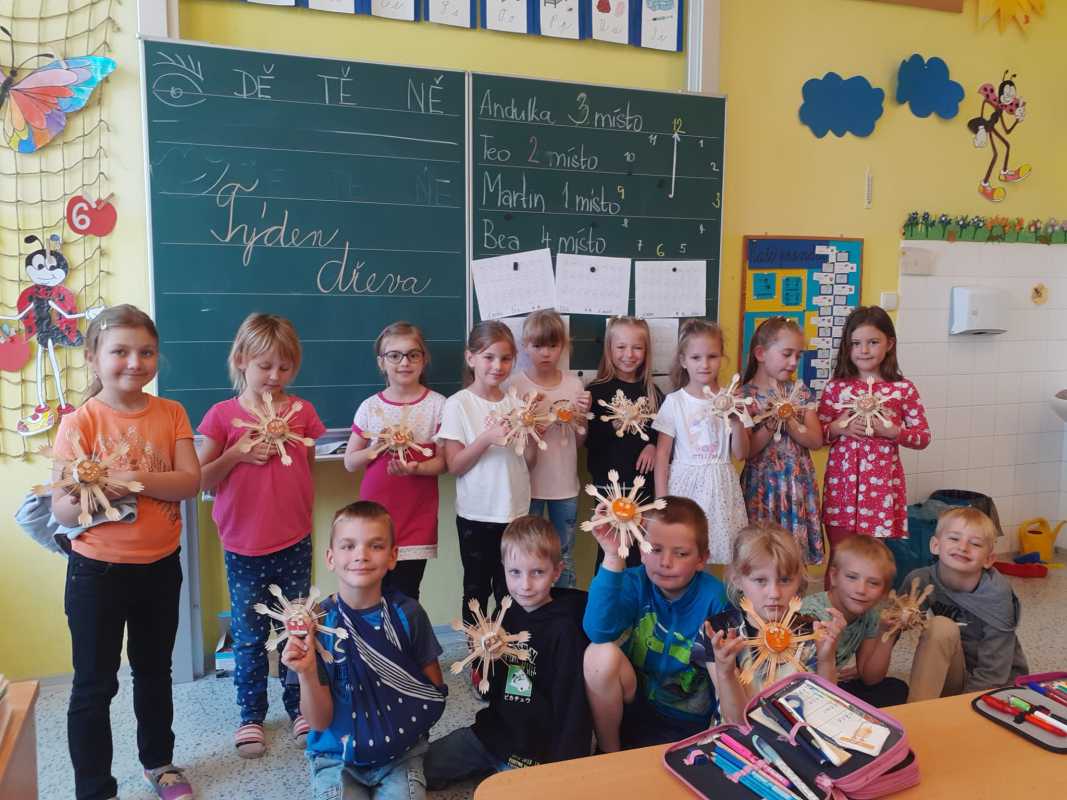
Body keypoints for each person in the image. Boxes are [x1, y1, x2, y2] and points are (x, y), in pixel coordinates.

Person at [52, 304, 200, 800]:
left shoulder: (171, 412)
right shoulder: (79, 423)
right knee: (94, 684)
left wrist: (127, 480)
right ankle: (94, 788)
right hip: (96, 572)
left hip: (160, 568)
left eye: (146, 352)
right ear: (93, 358)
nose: (135, 362)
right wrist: (95, 491)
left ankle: (159, 763)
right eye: (120, 352)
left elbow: (188, 482)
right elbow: (64, 511)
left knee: (154, 672)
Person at [197, 312, 325, 757]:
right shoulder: (222, 416)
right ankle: (251, 714)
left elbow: (307, 469)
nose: (274, 376)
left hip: (294, 539)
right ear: (241, 361)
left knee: (297, 626)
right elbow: (201, 478)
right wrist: (237, 454)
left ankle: (299, 707)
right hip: (244, 546)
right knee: (250, 636)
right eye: (264, 365)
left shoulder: (302, 413)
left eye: (284, 367)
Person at [283, 501, 447, 799]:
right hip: (335, 758)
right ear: (330, 558)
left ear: (393, 556)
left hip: (401, 754)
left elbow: (432, 693)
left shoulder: (408, 614)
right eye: (348, 546)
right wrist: (307, 672)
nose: (361, 555)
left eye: (375, 545)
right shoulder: (315, 626)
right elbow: (318, 722)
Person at [425, 515, 591, 787]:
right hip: (494, 734)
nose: (525, 585)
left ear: (557, 572)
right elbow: (492, 690)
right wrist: (485, 661)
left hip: (536, 752)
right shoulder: (505, 614)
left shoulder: (566, 630)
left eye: (537, 572)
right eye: (515, 572)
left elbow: (572, 708)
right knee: (421, 768)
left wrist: (566, 771)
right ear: (503, 569)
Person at [583, 497, 729, 751]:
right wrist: (612, 556)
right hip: (635, 705)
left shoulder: (714, 597)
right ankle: (608, 754)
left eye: (681, 554)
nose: (665, 562)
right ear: (642, 550)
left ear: (702, 559)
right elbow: (598, 631)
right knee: (598, 654)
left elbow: (724, 678)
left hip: (689, 721)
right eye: (655, 549)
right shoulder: (634, 582)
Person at [817, 306, 930, 579]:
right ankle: (832, 607)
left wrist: (894, 432)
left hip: (879, 493)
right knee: (840, 558)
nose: (864, 350)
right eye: (856, 343)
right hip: (842, 490)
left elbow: (923, 437)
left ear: (889, 344)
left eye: (873, 342)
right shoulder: (836, 387)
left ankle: (867, 606)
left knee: (871, 561)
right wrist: (838, 427)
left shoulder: (902, 389)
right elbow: (817, 436)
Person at [438, 321, 535, 628]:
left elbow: (528, 461)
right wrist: (486, 439)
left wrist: (533, 434)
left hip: (515, 512)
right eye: (489, 357)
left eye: (506, 359)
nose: (498, 366)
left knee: (512, 589)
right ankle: (478, 651)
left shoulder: (516, 403)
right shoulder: (458, 404)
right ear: (471, 358)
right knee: (476, 590)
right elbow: (455, 465)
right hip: (477, 515)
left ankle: (509, 649)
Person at [344, 322, 446, 601]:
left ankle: (403, 632)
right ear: (382, 362)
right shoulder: (370, 407)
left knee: (406, 593)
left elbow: (444, 462)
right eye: (394, 355)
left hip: (416, 515)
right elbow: (350, 461)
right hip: (374, 517)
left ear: (424, 359)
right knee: (370, 590)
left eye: (413, 355)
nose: (404, 362)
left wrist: (417, 467)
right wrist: (377, 447)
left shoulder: (438, 405)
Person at [709, 524, 844, 724]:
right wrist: (725, 672)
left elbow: (826, 710)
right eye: (760, 580)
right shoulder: (721, 634)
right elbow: (735, 722)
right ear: (737, 580)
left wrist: (826, 660)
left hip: (799, 734)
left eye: (785, 580)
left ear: (799, 580)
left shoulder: (811, 632)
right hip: (740, 738)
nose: (774, 593)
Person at [904, 507, 1029, 701]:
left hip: (996, 686)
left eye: (975, 543)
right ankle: (916, 711)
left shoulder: (996, 594)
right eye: (954, 538)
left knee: (941, 625)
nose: (963, 547)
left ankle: (924, 712)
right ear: (935, 545)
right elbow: (889, 627)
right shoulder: (919, 580)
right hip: (951, 674)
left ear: (989, 559)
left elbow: (994, 672)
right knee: (941, 627)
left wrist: (961, 706)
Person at [653, 318, 749, 565]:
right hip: (685, 486)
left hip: (720, 487)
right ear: (683, 361)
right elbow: (662, 455)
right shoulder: (675, 402)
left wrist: (736, 420)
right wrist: (662, 501)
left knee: (724, 552)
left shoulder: (732, 400)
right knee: (684, 549)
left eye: (712, 356)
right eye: (696, 357)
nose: (704, 364)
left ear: (722, 358)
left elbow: (741, 453)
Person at [509, 310, 591, 588]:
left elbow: (578, 443)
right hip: (527, 485)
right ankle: (528, 606)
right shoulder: (516, 385)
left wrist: (581, 419)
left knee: (563, 554)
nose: (545, 353)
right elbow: (509, 438)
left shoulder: (574, 385)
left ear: (563, 347)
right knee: (525, 555)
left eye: (553, 345)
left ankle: (564, 607)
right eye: (537, 345)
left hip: (564, 485)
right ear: (525, 346)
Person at [739, 316, 823, 566]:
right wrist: (772, 422)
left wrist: (789, 419)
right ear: (760, 353)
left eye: (798, 355)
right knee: (760, 555)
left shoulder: (800, 392)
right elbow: (747, 451)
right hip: (762, 485)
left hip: (796, 483)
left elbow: (816, 440)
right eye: (787, 354)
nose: (794, 362)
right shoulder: (744, 396)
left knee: (794, 557)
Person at [585, 316, 663, 571]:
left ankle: (640, 597)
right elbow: (589, 441)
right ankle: (609, 595)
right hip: (608, 489)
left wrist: (652, 445)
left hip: (643, 488)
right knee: (610, 552)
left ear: (646, 351)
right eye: (621, 347)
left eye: (637, 347)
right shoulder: (596, 391)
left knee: (642, 553)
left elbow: (664, 433)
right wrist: (613, 425)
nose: (629, 355)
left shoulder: (652, 392)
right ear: (609, 349)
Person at [801, 535, 909, 707]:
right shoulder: (811, 614)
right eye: (852, 577)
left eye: (873, 583)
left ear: (884, 592)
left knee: (896, 688)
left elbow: (870, 678)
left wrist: (887, 634)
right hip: (805, 690)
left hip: (834, 684)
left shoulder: (870, 616)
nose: (861, 590)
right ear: (834, 577)